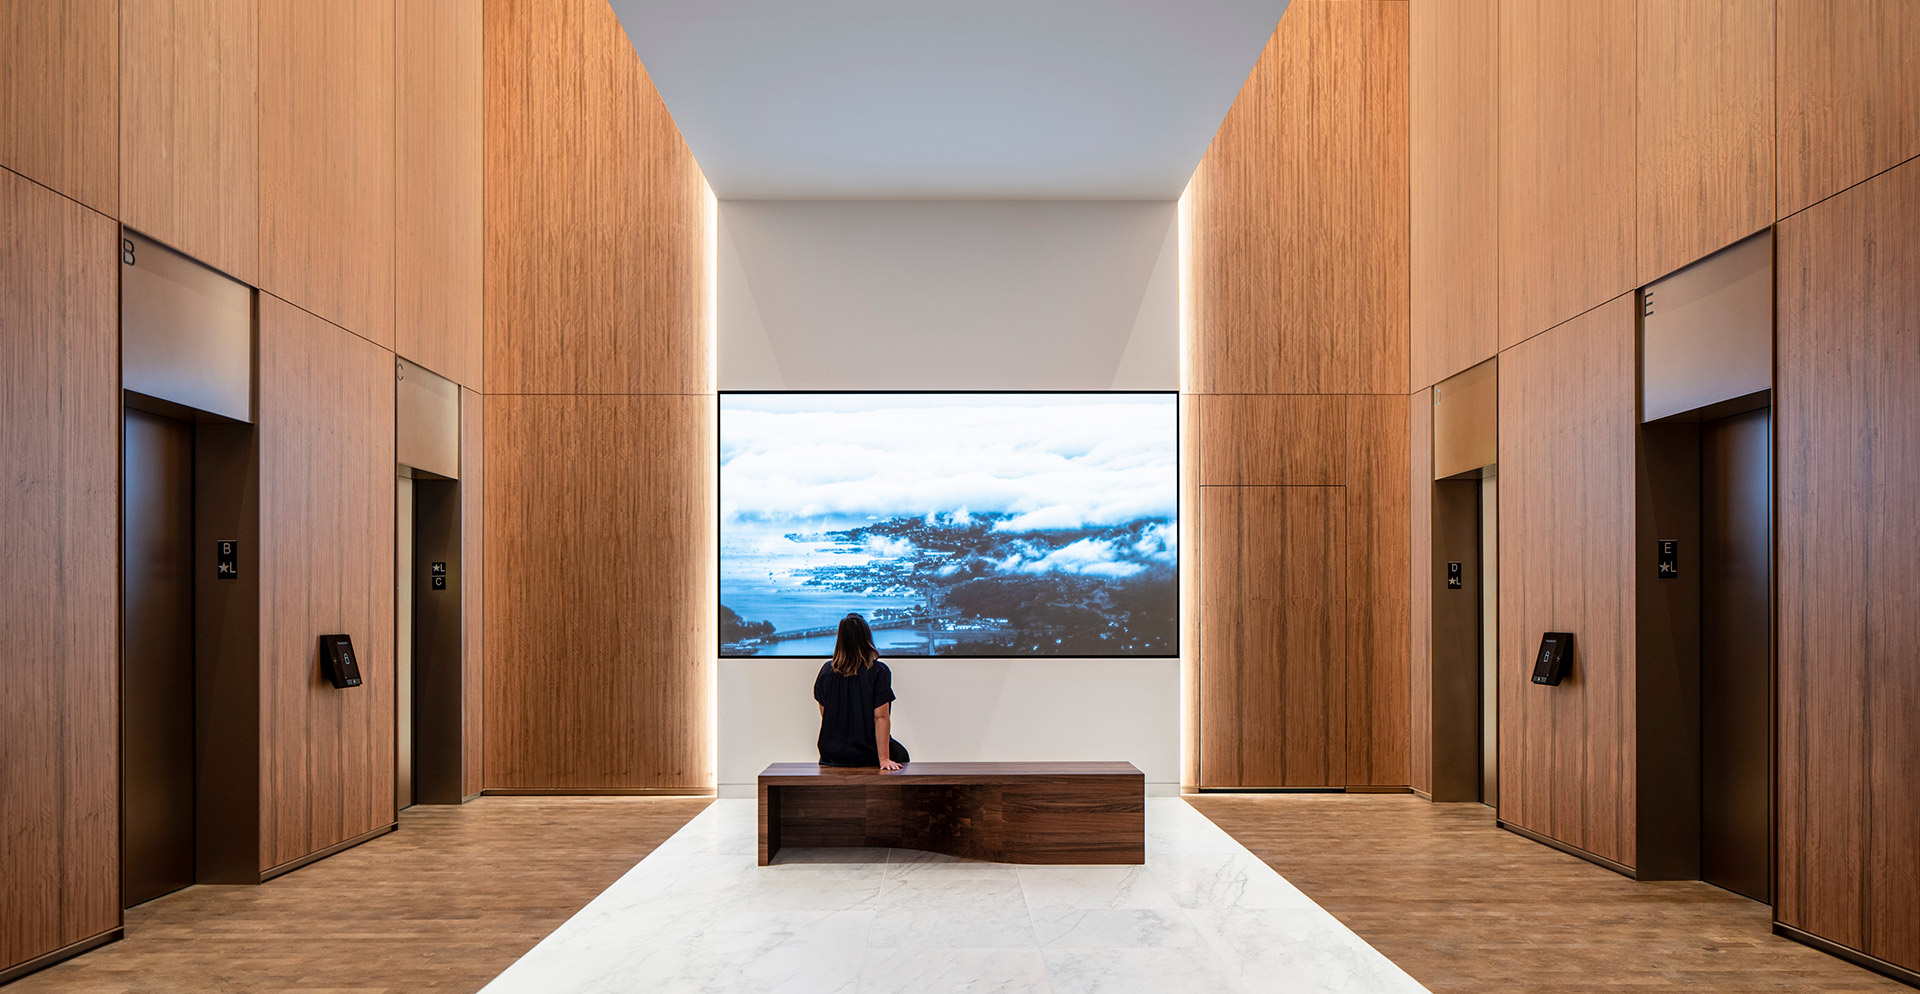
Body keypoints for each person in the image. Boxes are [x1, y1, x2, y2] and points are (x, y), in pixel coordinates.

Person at [814, 613, 910, 770]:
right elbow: (881, 717)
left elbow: (826, 715)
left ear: (840, 639)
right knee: (901, 755)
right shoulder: (878, 671)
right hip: (866, 753)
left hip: (830, 754)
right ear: (867, 638)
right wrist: (884, 759)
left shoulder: (826, 671)